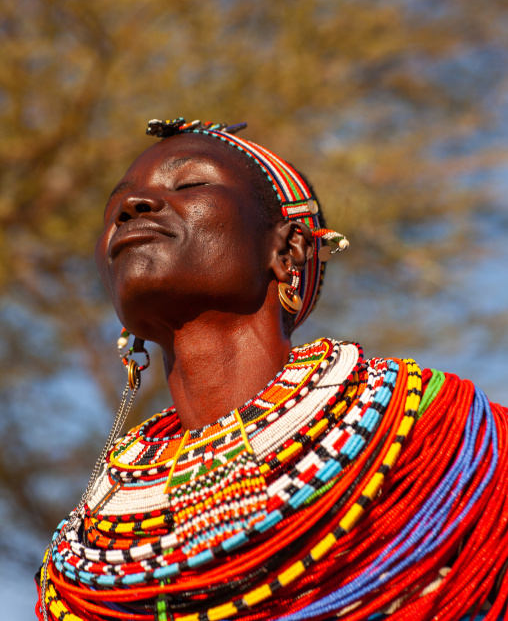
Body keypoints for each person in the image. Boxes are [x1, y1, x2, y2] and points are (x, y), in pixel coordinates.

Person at [36, 118, 508, 621]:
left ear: (287, 251)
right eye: (119, 202)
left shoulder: (449, 441)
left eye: (190, 183)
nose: (134, 206)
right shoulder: (83, 564)